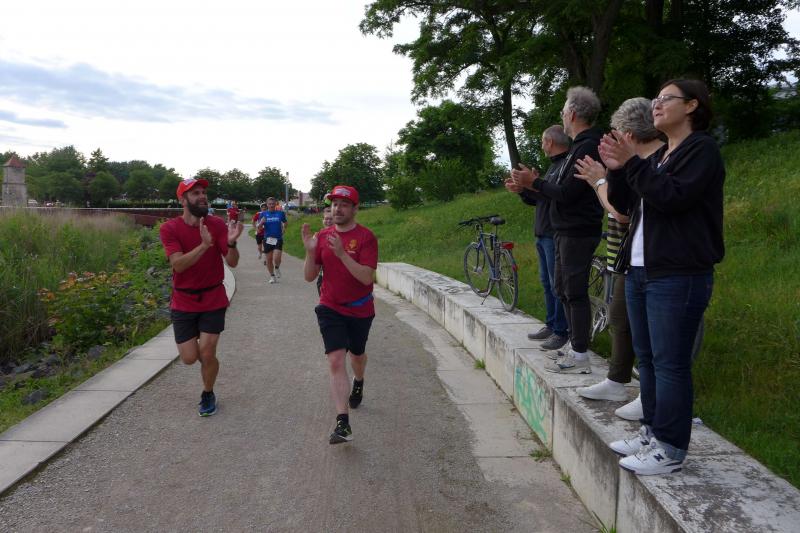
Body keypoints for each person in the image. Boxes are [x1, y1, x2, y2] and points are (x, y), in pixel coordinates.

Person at [600, 79, 724, 475]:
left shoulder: (700, 150)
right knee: (650, 359)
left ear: (691, 106)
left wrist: (633, 163)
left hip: (677, 274)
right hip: (641, 271)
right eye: (655, 99)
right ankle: (651, 432)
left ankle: (670, 448)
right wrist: (618, 170)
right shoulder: (661, 156)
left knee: (671, 363)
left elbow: (672, 198)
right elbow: (625, 205)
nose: (656, 104)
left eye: (665, 99)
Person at [573, 97, 665, 420]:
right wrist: (610, 175)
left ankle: (650, 398)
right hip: (630, 256)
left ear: (628, 132)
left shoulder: (656, 160)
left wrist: (599, 181)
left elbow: (621, 213)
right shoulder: (639, 162)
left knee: (648, 336)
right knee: (622, 320)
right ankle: (619, 381)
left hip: (654, 262)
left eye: (616, 132)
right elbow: (624, 206)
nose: (612, 138)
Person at [511, 86, 604, 374]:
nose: (562, 115)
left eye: (563, 110)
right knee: (563, 289)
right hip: (564, 230)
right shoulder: (578, 147)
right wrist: (529, 187)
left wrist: (534, 183)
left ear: (572, 114)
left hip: (578, 230)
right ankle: (574, 345)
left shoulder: (588, 147)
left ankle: (580, 353)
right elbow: (557, 193)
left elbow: (568, 194)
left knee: (574, 291)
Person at [159, 177, 244, 417]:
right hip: (183, 299)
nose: (202, 196)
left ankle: (208, 392)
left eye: (203, 192)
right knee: (188, 358)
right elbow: (178, 264)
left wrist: (231, 244)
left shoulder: (216, 225)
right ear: (182, 200)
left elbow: (233, 262)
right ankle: (208, 365)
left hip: (213, 297)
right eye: (195, 193)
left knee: (207, 351)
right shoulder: (169, 229)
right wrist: (204, 246)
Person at [302, 185, 378, 444]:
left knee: (357, 355)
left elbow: (366, 277)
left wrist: (342, 254)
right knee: (335, 360)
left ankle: (359, 380)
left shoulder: (366, 237)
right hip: (330, 306)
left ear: (355, 209)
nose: (337, 209)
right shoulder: (323, 236)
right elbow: (309, 276)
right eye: (334, 204)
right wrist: (310, 252)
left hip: (360, 308)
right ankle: (342, 423)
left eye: (344, 204)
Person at [504, 125, 570, 350]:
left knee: (556, 285)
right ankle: (551, 325)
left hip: (553, 234)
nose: (542, 145)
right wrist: (523, 190)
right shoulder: (553, 167)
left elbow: (558, 196)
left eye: (543, 141)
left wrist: (532, 182)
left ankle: (561, 331)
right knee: (547, 283)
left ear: (550, 142)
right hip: (542, 234)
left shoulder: (565, 165)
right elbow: (542, 198)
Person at [258, 197, 288, 284]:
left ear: (275, 204)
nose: (271, 205)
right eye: (269, 204)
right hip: (267, 239)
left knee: (277, 257)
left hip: (278, 238)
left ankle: (277, 267)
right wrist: (261, 223)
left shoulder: (280, 213)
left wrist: (284, 228)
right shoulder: (263, 214)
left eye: (273, 204)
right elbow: (259, 228)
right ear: (267, 204)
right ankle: (272, 276)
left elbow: (285, 222)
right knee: (269, 259)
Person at [316, 205, 334, 295]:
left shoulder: (339, 235)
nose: (328, 221)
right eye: (326, 219)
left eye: (331, 219)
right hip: (323, 275)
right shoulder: (318, 235)